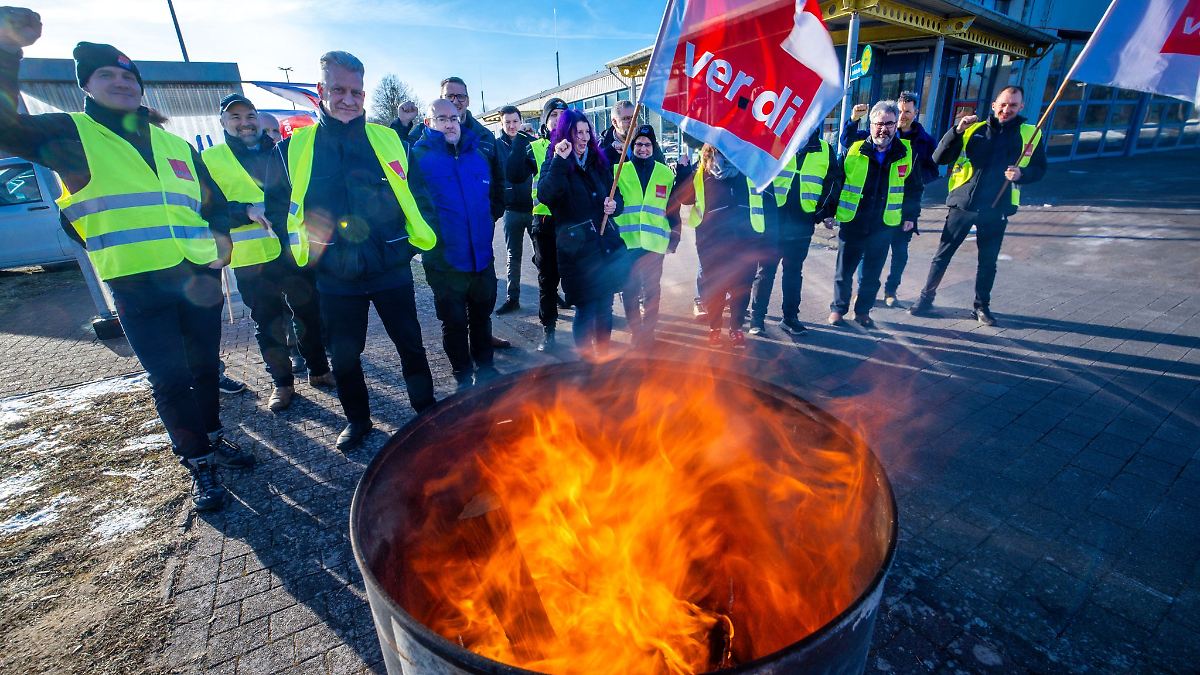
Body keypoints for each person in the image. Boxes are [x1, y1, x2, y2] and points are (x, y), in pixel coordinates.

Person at [0, 8, 255, 511]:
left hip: (195, 276)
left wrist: (231, 227)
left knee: (204, 367)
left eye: (127, 75)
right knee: (168, 377)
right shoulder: (71, 133)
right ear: (87, 86)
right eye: (106, 75)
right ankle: (197, 461)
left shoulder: (173, 143)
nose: (120, 82)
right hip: (137, 283)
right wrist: (8, 51)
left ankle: (213, 435)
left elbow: (208, 205)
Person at [263, 51, 439, 451]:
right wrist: (312, 260)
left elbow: (419, 196)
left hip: (390, 267)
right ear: (322, 90)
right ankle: (358, 421)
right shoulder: (293, 150)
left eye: (356, 91)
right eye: (338, 89)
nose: (348, 99)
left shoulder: (388, 138)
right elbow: (278, 209)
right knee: (343, 357)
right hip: (334, 276)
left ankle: (426, 409)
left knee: (410, 344)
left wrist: (405, 249)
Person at [202, 93, 334, 413]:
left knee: (308, 313)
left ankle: (318, 370)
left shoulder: (282, 151)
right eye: (235, 118)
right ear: (223, 123)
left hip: (291, 250)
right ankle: (282, 383)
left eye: (250, 116)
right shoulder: (210, 160)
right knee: (268, 323)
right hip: (251, 258)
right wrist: (244, 211)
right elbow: (206, 208)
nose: (244, 123)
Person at [909, 85, 1046, 326]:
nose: (1007, 109)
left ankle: (981, 307)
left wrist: (1022, 173)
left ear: (1021, 107)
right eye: (1003, 104)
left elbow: (1040, 169)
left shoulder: (1030, 133)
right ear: (994, 105)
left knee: (988, 261)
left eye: (1013, 105)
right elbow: (939, 158)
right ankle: (925, 298)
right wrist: (955, 131)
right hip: (964, 203)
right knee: (942, 255)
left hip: (997, 207)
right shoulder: (973, 129)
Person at [411, 99, 505, 389]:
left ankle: (486, 370)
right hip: (444, 262)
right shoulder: (419, 158)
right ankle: (463, 376)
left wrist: (486, 224)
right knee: (454, 323)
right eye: (442, 118)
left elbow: (494, 199)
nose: (450, 123)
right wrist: (434, 242)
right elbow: (415, 206)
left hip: (481, 257)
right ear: (429, 123)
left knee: (481, 317)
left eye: (454, 118)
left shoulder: (478, 154)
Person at [826, 100, 923, 328]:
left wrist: (910, 217)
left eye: (889, 124)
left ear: (895, 125)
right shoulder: (854, 150)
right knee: (844, 272)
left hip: (883, 225)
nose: (884, 129)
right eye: (879, 123)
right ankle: (838, 310)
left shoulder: (906, 153)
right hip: (854, 222)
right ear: (870, 125)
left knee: (871, 274)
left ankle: (862, 312)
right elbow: (837, 182)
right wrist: (830, 212)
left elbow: (914, 188)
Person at [535, 109, 623, 358]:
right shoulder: (555, 162)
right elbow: (546, 195)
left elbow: (617, 197)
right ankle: (585, 362)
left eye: (587, 132)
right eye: (578, 132)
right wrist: (560, 162)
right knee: (586, 307)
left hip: (604, 245)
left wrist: (614, 205)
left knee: (605, 306)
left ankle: (603, 358)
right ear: (566, 134)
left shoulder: (598, 163)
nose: (584, 138)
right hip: (577, 250)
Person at [842, 92, 939, 307]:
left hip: (900, 210)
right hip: (877, 211)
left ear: (915, 113)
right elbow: (848, 141)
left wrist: (913, 178)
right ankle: (862, 292)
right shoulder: (878, 133)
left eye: (907, 112)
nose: (903, 115)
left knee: (900, 255)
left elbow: (931, 171)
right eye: (901, 110)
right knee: (870, 254)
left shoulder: (923, 141)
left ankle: (891, 290)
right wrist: (853, 120)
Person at [677, 144, 775, 350]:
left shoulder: (749, 171)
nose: (724, 154)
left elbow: (767, 201)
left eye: (728, 148)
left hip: (746, 241)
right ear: (710, 152)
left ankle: (736, 328)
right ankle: (715, 329)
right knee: (716, 288)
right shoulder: (701, 174)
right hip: (711, 242)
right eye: (719, 150)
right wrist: (683, 171)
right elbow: (684, 200)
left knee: (741, 288)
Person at [748, 127, 837, 336]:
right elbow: (757, 177)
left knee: (793, 273)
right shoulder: (773, 142)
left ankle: (790, 318)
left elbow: (833, 183)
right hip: (773, 220)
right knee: (765, 271)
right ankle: (757, 319)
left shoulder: (825, 149)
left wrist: (822, 212)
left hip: (802, 222)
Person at [611, 124, 685, 346]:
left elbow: (673, 207)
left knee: (652, 290)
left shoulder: (664, 173)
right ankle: (636, 331)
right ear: (632, 146)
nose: (643, 148)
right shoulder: (618, 171)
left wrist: (675, 236)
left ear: (654, 147)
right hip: (628, 242)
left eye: (648, 144)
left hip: (655, 243)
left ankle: (649, 332)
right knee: (630, 289)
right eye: (639, 144)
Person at [506, 97, 570, 351]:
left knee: (575, 272)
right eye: (553, 114)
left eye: (563, 114)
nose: (558, 118)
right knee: (547, 277)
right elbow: (514, 174)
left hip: (572, 221)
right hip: (544, 222)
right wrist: (520, 140)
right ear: (545, 120)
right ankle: (549, 330)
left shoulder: (580, 142)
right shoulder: (536, 146)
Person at [494, 105, 534, 315]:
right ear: (501, 123)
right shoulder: (495, 146)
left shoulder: (530, 143)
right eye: (507, 122)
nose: (511, 126)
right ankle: (513, 297)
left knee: (542, 255)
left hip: (534, 208)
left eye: (515, 121)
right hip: (511, 210)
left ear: (520, 121)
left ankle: (551, 293)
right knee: (513, 255)